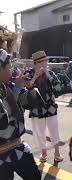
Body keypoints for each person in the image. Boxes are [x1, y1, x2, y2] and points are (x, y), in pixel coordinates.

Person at [0, 49, 41, 180]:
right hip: (1, 156)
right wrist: (16, 91)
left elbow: (34, 104)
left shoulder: (9, 86)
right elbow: (2, 121)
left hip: (18, 147)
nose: (12, 69)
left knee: (35, 177)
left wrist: (29, 87)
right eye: (8, 66)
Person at [25, 50, 63, 162]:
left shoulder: (50, 74)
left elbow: (59, 90)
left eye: (46, 60)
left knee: (54, 131)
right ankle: (44, 153)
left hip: (51, 108)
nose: (46, 63)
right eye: (43, 61)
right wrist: (34, 78)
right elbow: (26, 90)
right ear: (36, 63)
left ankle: (57, 153)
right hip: (37, 110)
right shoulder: (29, 74)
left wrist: (48, 76)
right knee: (39, 133)